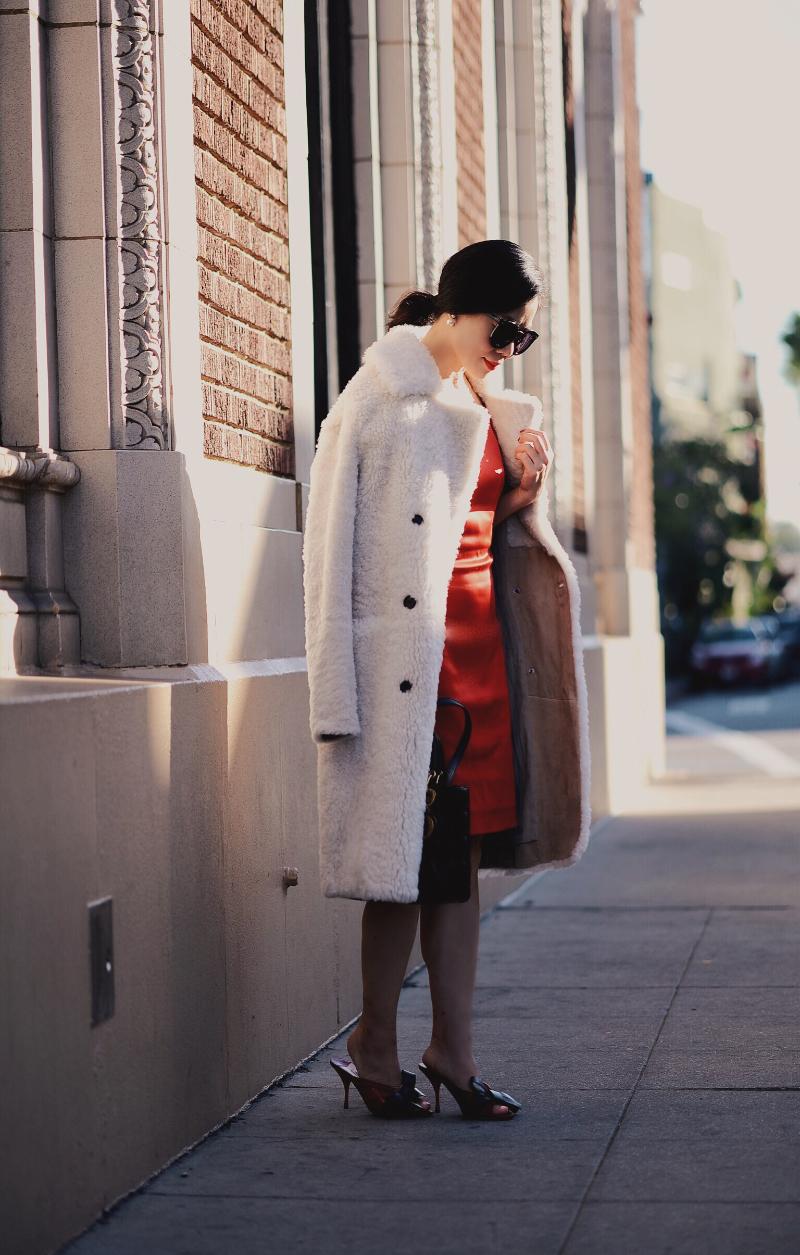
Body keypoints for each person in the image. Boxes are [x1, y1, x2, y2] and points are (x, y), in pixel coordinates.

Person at [302, 240, 591, 1121]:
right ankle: (376, 1043)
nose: (510, 346)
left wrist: (521, 499)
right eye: (505, 327)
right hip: (408, 671)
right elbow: (327, 555)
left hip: (482, 657)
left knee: (458, 865)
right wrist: (334, 698)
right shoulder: (377, 400)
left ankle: (453, 1051)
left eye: (524, 337)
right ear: (461, 309)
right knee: (405, 861)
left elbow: (474, 534)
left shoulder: (483, 400)